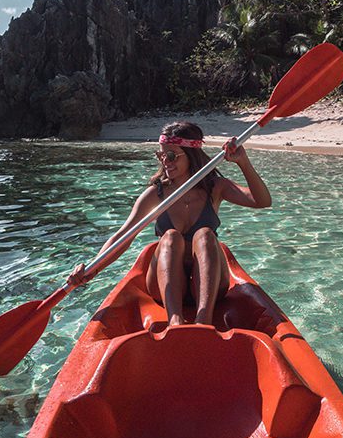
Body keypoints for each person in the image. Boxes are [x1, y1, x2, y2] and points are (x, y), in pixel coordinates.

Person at [68, 121, 271, 326]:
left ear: (191, 155)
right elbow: (124, 236)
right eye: (161, 155)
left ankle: (204, 321)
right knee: (171, 237)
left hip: (209, 286)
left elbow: (262, 201)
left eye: (172, 155)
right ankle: (175, 321)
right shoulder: (156, 194)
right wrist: (92, 270)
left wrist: (243, 162)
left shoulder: (215, 188)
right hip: (164, 287)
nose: (165, 161)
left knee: (205, 234)